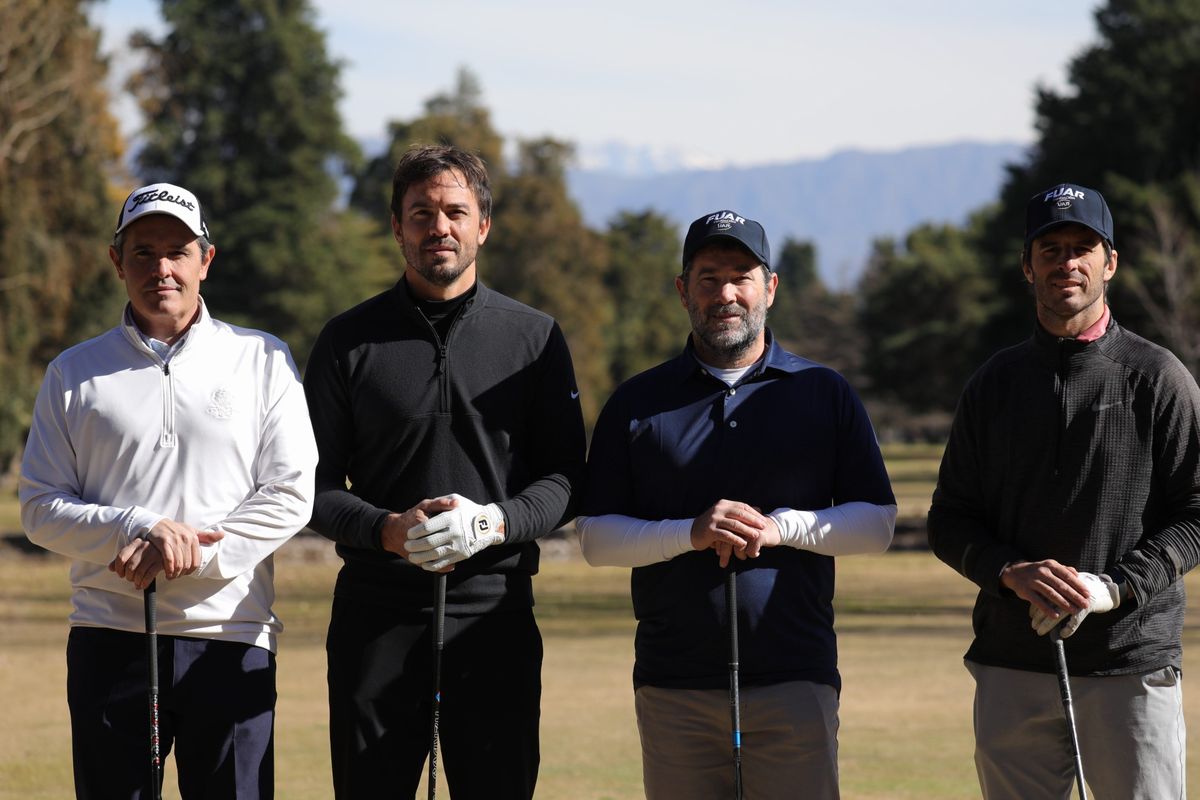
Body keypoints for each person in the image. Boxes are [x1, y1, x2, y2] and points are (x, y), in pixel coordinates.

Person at [577, 209, 896, 799]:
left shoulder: (823, 391)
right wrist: (689, 533)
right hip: (675, 686)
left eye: (741, 276)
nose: (725, 293)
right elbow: (596, 538)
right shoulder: (637, 401)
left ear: (770, 288)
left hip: (795, 679)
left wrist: (780, 529)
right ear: (682, 290)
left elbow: (875, 525)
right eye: (707, 276)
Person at [303, 144, 586, 799]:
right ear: (396, 226)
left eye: (456, 211)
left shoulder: (535, 338)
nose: (440, 226)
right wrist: (387, 530)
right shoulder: (349, 340)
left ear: (483, 225)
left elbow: (569, 477)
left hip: (495, 617)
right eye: (421, 212)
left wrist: (495, 521)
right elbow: (308, 489)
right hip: (376, 619)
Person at [20, 182, 318, 799]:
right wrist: (136, 527)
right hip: (111, 638)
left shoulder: (263, 359)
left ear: (206, 260)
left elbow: (290, 493)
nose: (162, 268)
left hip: (231, 638)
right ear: (116, 261)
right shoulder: (73, 372)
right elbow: (41, 508)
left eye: (178, 251)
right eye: (143, 251)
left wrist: (198, 551)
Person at [928, 182, 1200, 798]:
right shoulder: (993, 384)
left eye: (1084, 247)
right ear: (1028, 266)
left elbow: (1197, 514)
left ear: (1111, 262)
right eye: (1050, 248)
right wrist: (1009, 571)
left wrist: (1112, 588)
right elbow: (950, 520)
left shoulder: (1158, 378)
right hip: (1011, 663)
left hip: (1127, 664)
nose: (1067, 262)